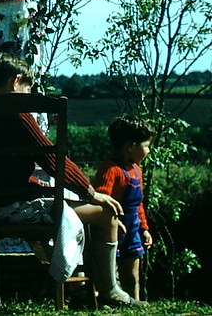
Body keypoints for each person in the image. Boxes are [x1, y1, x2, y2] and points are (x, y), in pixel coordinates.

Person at [0, 51, 143, 308]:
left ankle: (77, 284)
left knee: (67, 208)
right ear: (16, 81)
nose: (27, 94)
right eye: (27, 88)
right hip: (19, 209)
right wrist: (91, 192)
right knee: (105, 213)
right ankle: (110, 289)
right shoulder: (18, 113)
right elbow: (54, 162)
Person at [93, 115, 155, 301]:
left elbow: (138, 205)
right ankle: (108, 300)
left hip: (133, 231)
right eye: (146, 145)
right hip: (113, 232)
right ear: (130, 146)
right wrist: (114, 221)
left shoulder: (136, 170)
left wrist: (144, 229)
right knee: (110, 271)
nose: (148, 151)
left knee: (132, 273)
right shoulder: (111, 170)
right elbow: (101, 201)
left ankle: (133, 303)